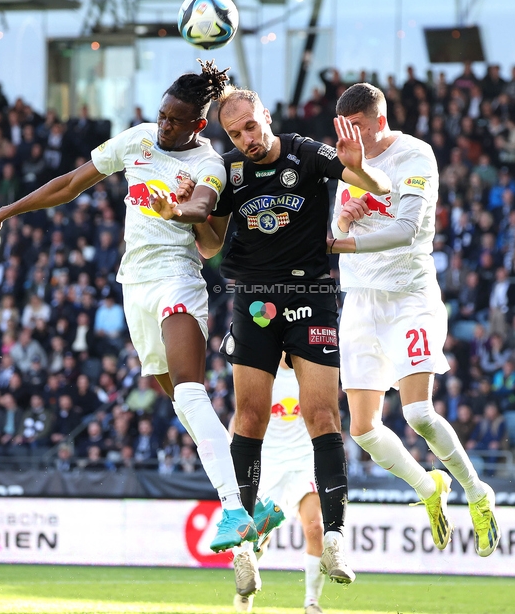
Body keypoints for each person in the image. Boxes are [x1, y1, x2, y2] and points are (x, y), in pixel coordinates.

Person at [0, 60, 256, 552]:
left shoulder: (208, 164)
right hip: (134, 286)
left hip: (177, 279)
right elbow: (69, 184)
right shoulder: (140, 140)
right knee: (183, 408)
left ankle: (234, 509)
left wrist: (180, 208)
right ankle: (256, 503)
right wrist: (5, 212)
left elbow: (202, 210)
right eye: (162, 114)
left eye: (175, 119)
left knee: (191, 393)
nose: (164, 124)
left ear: (198, 124)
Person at [152, 85, 390, 596]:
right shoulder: (230, 170)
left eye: (251, 127)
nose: (246, 139)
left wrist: (361, 166)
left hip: (309, 294)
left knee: (323, 416)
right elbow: (213, 243)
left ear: (267, 116)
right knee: (249, 418)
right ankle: (244, 549)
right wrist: (188, 212)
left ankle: (334, 538)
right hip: (255, 299)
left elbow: (382, 188)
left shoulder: (306, 154)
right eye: (235, 133)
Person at [327, 82, 499, 556]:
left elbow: (405, 230)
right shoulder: (345, 162)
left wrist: (340, 241)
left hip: (409, 296)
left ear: (379, 120)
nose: (351, 137)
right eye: (343, 129)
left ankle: (476, 492)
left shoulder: (416, 155)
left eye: (357, 127)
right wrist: (344, 221)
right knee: (361, 430)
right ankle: (428, 488)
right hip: (360, 299)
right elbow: (337, 224)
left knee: (418, 412)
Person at [233, 358, 325, 614]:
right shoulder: (264, 369)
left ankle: (311, 603)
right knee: (261, 535)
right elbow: (241, 415)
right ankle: (246, 584)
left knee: (315, 527)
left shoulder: (311, 369)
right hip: (270, 463)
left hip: (304, 460)